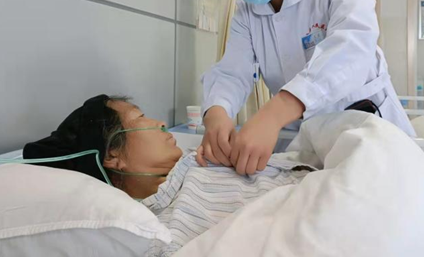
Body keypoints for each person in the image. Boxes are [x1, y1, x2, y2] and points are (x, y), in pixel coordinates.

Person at [198, 0, 415, 176]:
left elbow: (353, 48)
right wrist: (217, 112)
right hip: (308, 146)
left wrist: (276, 112)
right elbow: (233, 71)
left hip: (370, 131)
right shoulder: (247, 14)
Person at [23, 95, 312, 256]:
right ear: (112, 155)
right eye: (139, 117)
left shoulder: (202, 161)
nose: (160, 123)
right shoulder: (162, 226)